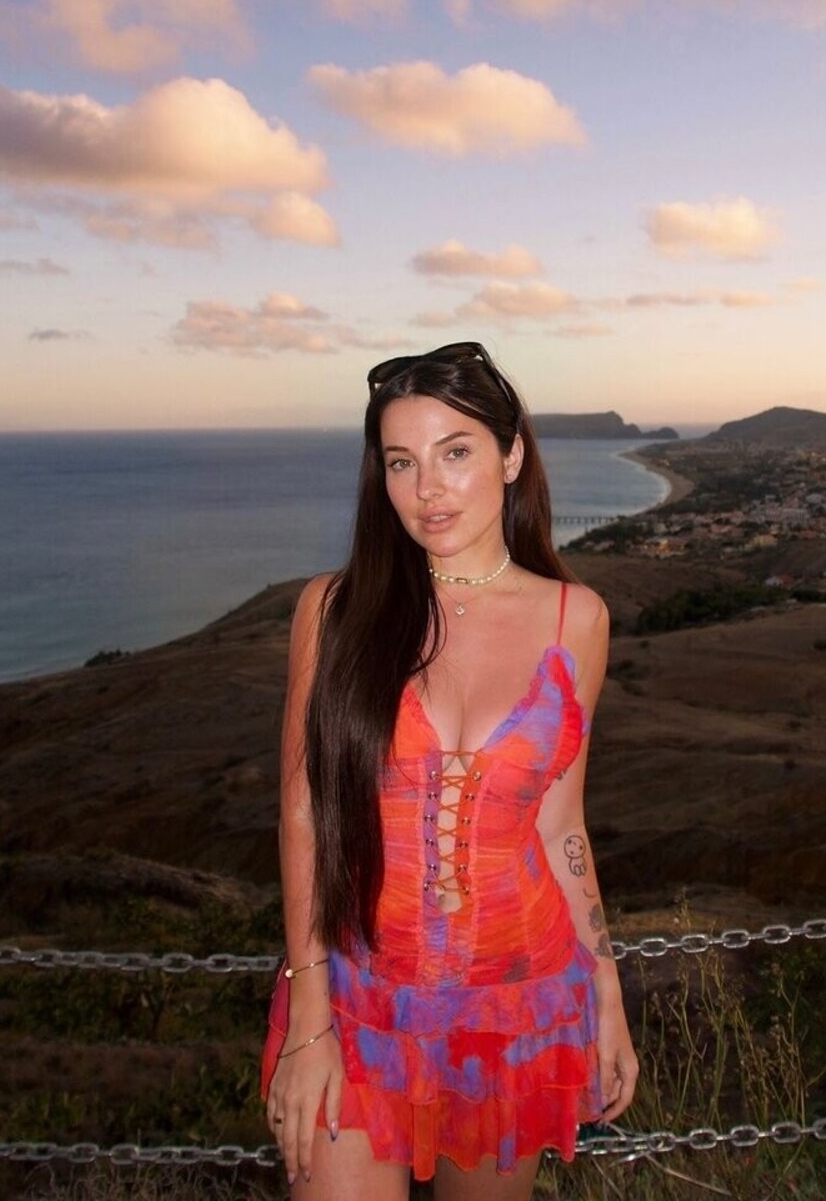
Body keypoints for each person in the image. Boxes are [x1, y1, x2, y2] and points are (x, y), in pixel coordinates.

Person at [261, 342, 638, 1199]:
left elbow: (560, 823)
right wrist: (310, 1023)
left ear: (511, 456)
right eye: (402, 462)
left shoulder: (577, 619)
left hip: (516, 1008)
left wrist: (606, 996)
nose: (427, 488)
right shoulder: (336, 610)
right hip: (355, 1001)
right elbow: (304, 815)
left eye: (455, 452)